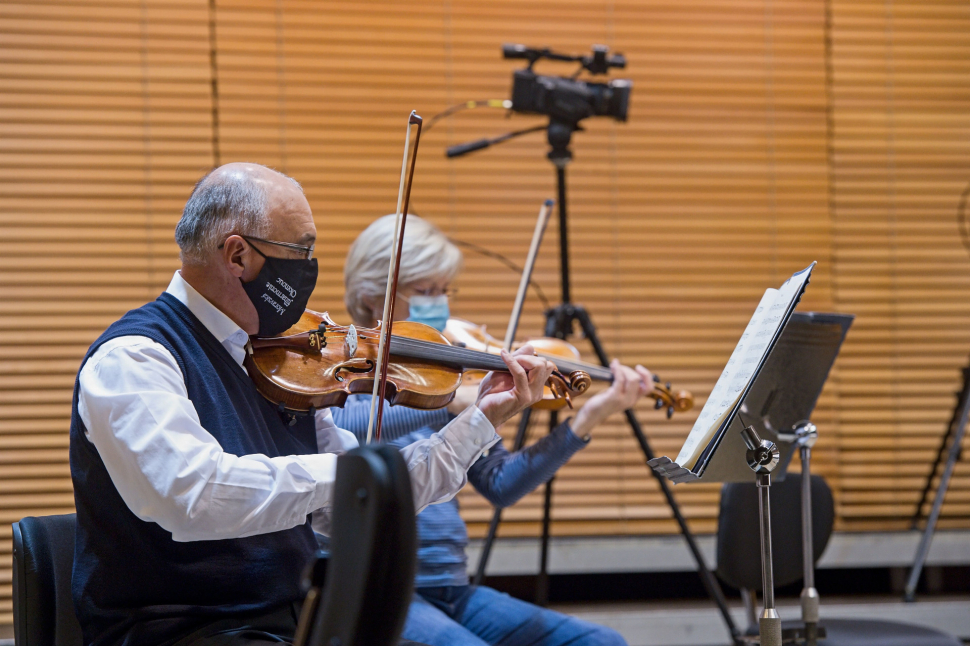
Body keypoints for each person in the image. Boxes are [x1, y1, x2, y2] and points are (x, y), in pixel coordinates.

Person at [69, 163, 557, 646]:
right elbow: (194, 495)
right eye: (300, 251)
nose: (308, 269)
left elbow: (358, 503)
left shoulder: (282, 362)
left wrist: (483, 418)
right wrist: (351, 477)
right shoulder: (135, 357)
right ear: (237, 255)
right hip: (183, 630)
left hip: (293, 621)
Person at [333, 214, 654, 646]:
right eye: (425, 291)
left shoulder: (448, 373)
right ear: (374, 297)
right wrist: (450, 402)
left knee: (600, 642)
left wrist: (588, 418)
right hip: (376, 589)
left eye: (445, 290)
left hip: (451, 585)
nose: (439, 303)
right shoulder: (346, 367)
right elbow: (347, 427)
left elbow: (502, 485)